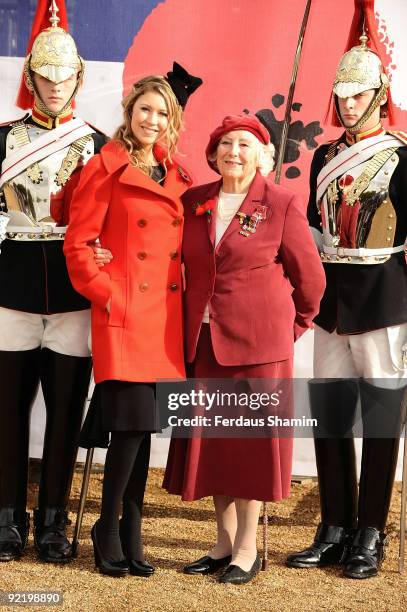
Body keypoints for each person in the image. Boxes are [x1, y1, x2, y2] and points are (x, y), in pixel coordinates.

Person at [162, 114, 326, 584]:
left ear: (263, 157)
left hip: (260, 347)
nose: (234, 152)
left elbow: (310, 279)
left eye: (245, 145)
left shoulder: (281, 203)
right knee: (216, 445)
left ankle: (249, 550)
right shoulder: (194, 202)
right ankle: (223, 544)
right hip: (205, 341)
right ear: (213, 153)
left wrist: (292, 327)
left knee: (249, 446)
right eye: (226, 144)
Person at [64, 65, 202, 577]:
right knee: (127, 427)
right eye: (145, 108)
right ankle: (108, 524)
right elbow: (78, 245)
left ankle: (130, 528)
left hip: (161, 319)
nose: (152, 118)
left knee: (142, 430)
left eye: (162, 112)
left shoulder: (178, 175)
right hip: (123, 315)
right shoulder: (105, 167)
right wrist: (110, 297)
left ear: (173, 121)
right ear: (129, 111)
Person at [286, 14, 407, 579]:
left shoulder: (403, 156)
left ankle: (371, 532)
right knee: (330, 416)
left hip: (384, 294)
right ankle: (334, 526)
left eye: (358, 93)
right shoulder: (324, 156)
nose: (348, 102)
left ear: (379, 94)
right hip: (332, 297)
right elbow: (313, 227)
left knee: (381, 420)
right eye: (342, 94)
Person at [0, 2, 106, 563]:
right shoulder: (2, 140)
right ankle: (7, 516)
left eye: (65, 77)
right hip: (11, 288)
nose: (56, 86)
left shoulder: (98, 143)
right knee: (7, 409)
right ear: (30, 78)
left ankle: (52, 520)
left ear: (79, 78)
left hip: (73, 293)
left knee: (66, 410)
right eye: (46, 75)